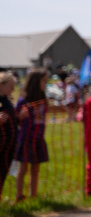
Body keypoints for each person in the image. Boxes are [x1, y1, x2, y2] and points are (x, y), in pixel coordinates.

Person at [14, 68, 49, 202]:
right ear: (36, 82)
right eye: (44, 81)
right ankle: (19, 195)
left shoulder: (42, 100)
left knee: (35, 169)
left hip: (38, 139)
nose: (46, 83)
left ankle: (33, 196)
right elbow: (15, 118)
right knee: (23, 169)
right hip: (26, 139)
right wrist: (20, 117)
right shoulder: (23, 101)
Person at [0, 71, 20, 202]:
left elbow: (13, 120)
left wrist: (19, 118)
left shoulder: (7, 100)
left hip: (9, 146)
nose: (13, 89)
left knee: (3, 173)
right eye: (11, 86)